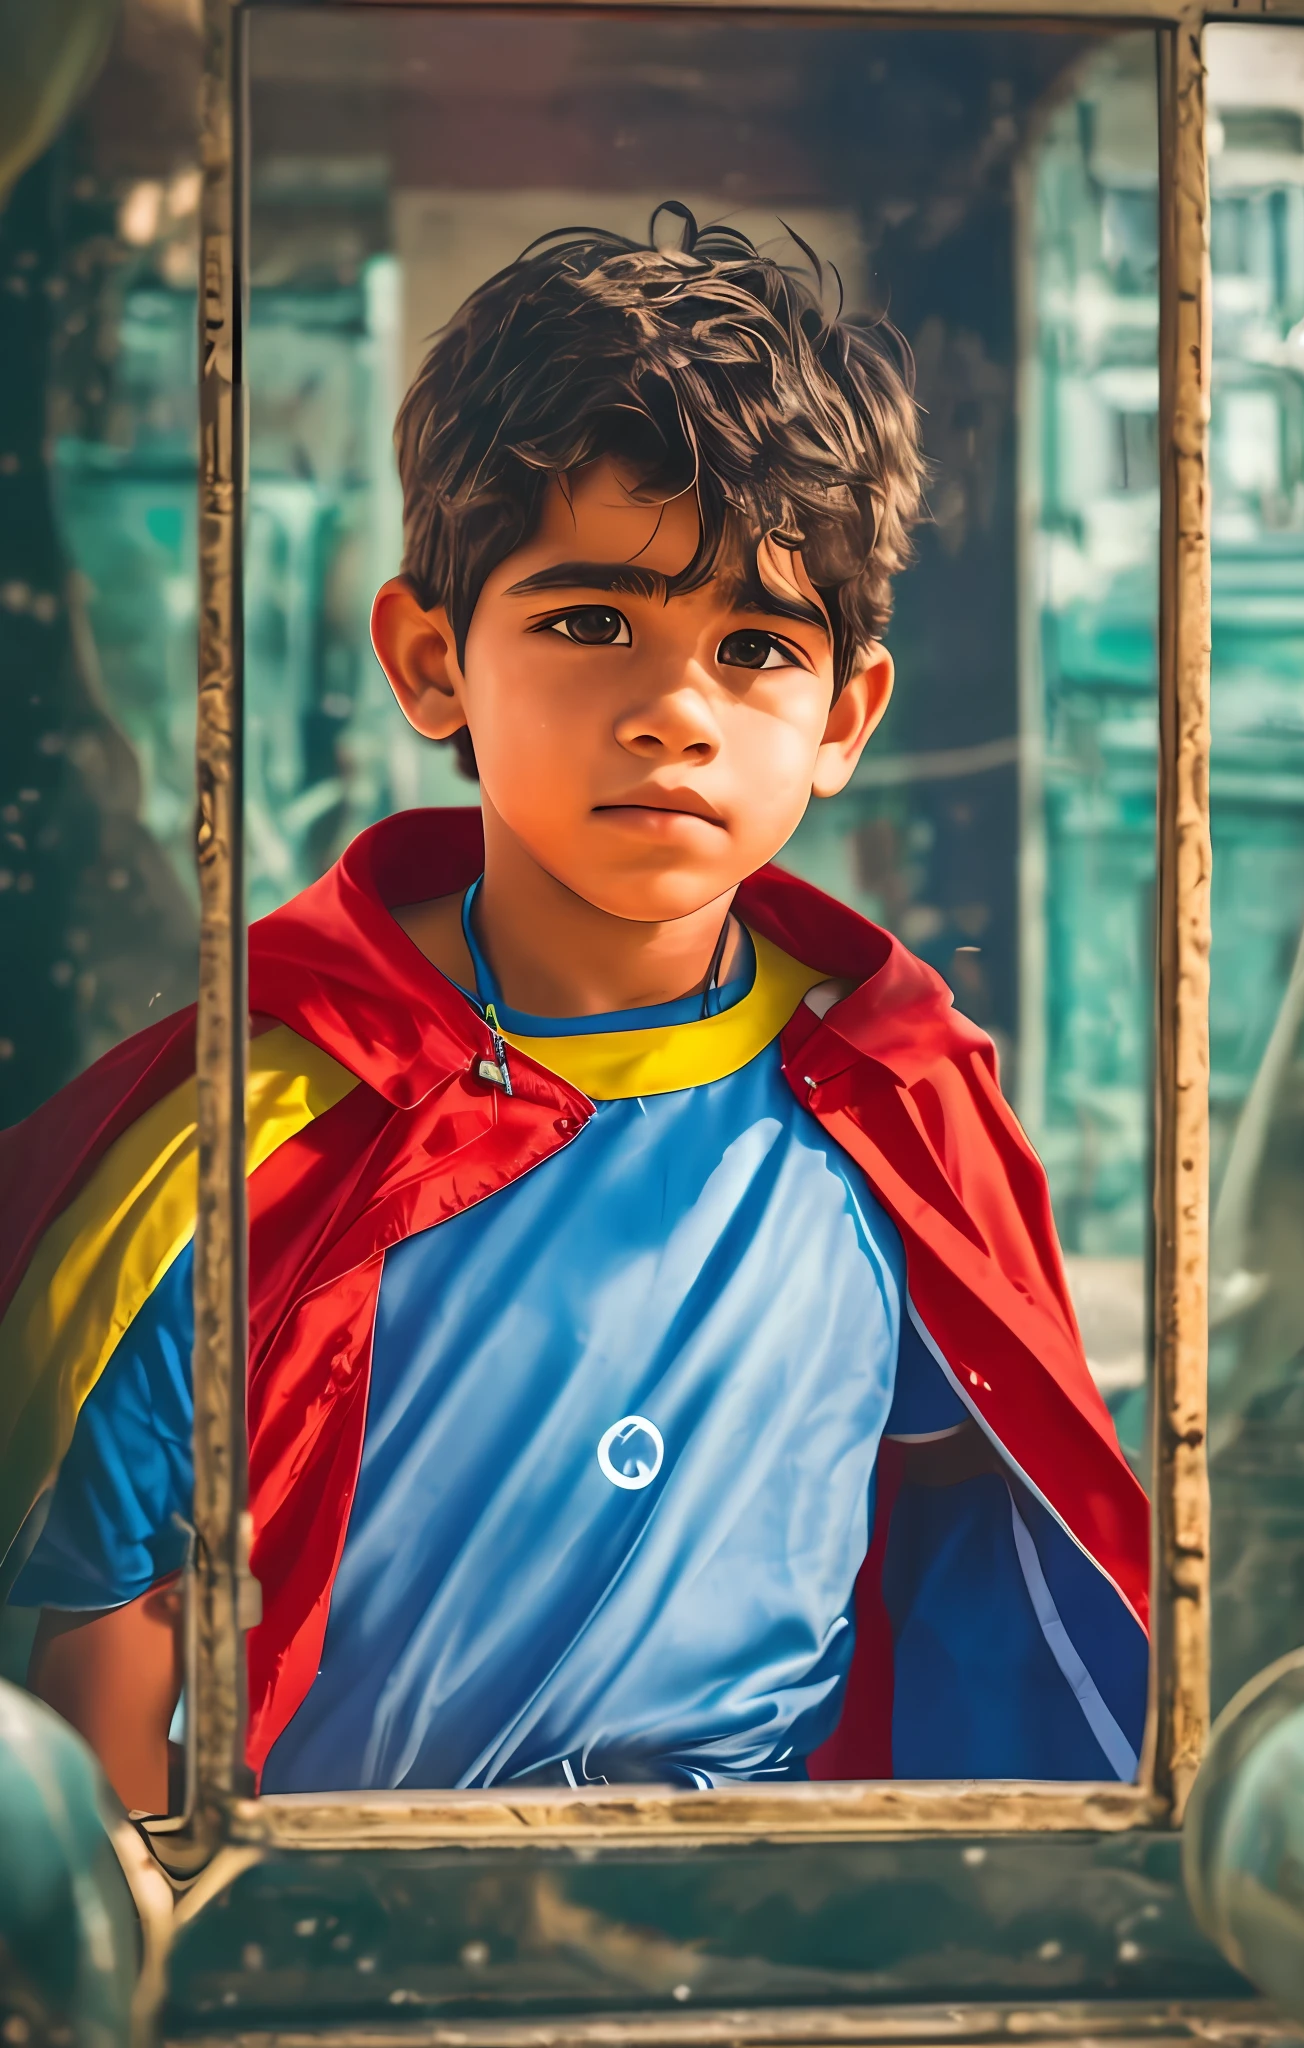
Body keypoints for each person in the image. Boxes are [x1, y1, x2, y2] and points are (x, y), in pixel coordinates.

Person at [0, 212, 1148, 1814]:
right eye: (593, 621)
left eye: (757, 646)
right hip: (346, 1944)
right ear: (427, 660)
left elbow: (987, 1535)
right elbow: (106, 1608)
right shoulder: (245, 1136)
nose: (676, 711)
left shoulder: (897, 1111)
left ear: (848, 716)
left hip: (769, 1942)